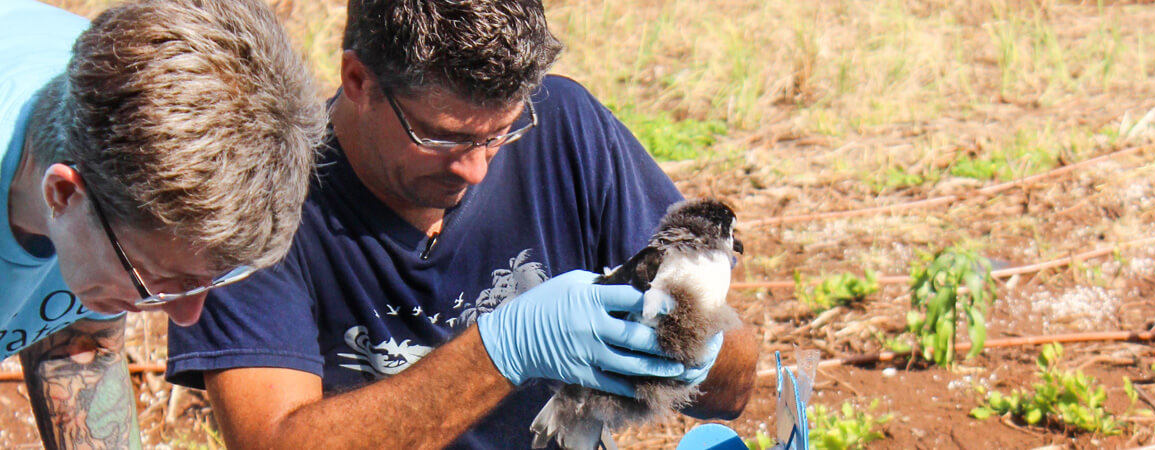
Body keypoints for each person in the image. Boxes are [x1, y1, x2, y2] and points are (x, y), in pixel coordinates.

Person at [165, 0, 759, 448]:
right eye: (443, 136)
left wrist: (691, 344)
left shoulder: (565, 128)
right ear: (358, 81)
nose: (476, 169)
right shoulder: (267, 197)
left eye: (502, 132)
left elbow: (733, 392)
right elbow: (273, 441)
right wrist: (504, 350)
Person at [0, 0, 324, 447]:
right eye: (163, 280)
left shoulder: (120, 98)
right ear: (64, 193)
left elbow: (74, 348)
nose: (188, 316)